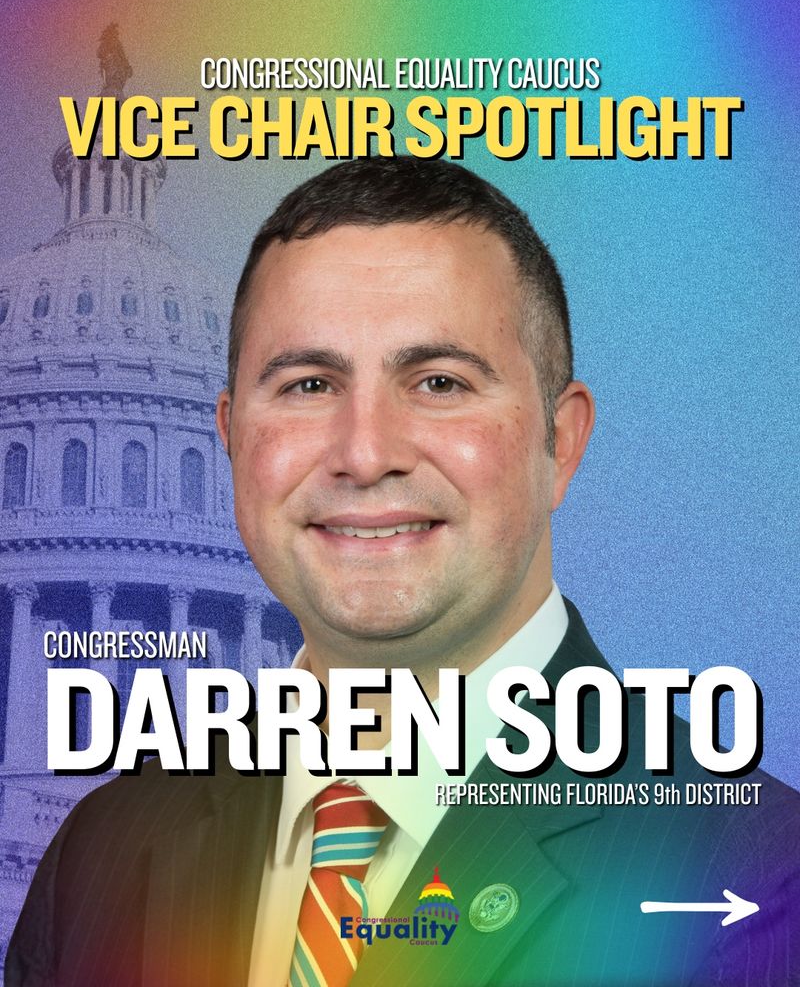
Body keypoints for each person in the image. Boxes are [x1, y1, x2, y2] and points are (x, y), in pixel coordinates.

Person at [7, 158, 799, 987]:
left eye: (439, 382)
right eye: (308, 384)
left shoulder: (753, 876)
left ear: (559, 442)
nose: (365, 454)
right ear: (231, 438)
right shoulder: (93, 862)